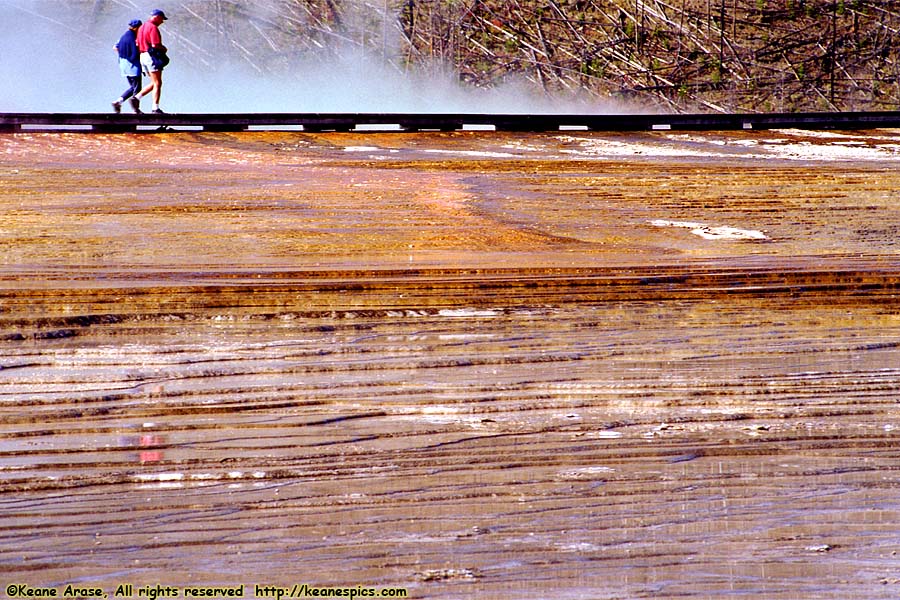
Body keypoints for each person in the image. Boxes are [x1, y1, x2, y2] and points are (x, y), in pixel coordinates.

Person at [134, 9, 169, 114]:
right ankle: (155, 108)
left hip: (142, 56)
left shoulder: (141, 27)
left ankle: (136, 98)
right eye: (162, 19)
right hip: (151, 56)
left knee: (154, 82)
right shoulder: (152, 27)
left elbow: (137, 43)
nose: (162, 22)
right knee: (158, 82)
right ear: (157, 17)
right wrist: (164, 49)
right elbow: (155, 45)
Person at [111, 19, 143, 114]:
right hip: (133, 66)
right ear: (137, 28)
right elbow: (137, 50)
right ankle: (135, 110)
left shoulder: (123, 37)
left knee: (133, 87)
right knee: (137, 88)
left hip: (123, 65)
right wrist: (131, 55)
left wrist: (123, 54)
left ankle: (118, 101)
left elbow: (115, 47)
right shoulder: (134, 37)